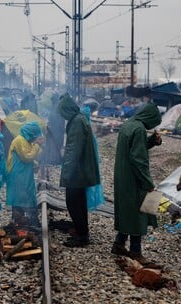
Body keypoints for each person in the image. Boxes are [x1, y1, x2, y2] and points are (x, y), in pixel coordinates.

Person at [112, 102, 163, 266]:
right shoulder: (139, 129)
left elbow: (134, 148)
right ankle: (135, 251)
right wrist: (148, 182)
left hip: (123, 175)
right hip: (133, 178)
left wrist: (152, 142)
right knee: (137, 213)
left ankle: (119, 244)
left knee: (128, 210)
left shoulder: (129, 125)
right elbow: (138, 160)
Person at [57, 93, 100, 248]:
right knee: (79, 202)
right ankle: (83, 232)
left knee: (73, 202)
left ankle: (82, 236)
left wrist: (67, 173)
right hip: (82, 169)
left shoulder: (76, 122)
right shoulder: (80, 119)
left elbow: (74, 150)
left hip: (78, 171)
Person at [5, 121, 44, 229]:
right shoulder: (20, 140)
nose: (34, 139)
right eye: (34, 137)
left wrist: (36, 162)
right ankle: (21, 221)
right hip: (18, 173)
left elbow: (32, 154)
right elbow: (26, 157)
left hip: (24, 172)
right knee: (21, 196)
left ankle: (27, 221)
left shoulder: (26, 140)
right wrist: (37, 145)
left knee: (27, 194)